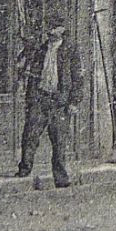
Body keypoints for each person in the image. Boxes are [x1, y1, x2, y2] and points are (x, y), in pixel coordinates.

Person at [15, 16, 83, 188]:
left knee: (59, 141)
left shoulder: (71, 50)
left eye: (54, 28)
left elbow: (78, 78)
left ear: (61, 30)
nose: (50, 31)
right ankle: (24, 169)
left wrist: (74, 101)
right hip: (40, 98)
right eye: (49, 28)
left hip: (59, 102)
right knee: (30, 135)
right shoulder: (41, 49)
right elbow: (28, 69)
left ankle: (60, 178)